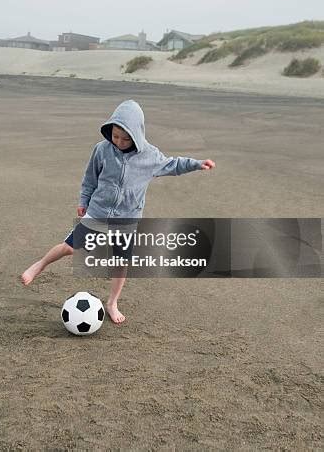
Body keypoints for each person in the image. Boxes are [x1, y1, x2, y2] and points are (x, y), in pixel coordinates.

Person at [21, 100, 215, 323]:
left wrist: (198, 164)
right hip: (98, 211)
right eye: (115, 136)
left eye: (125, 138)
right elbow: (89, 179)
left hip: (127, 218)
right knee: (69, 247)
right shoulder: (102, 150)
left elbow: (174, 164)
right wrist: (84, 200)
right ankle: (40, 264)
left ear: (137, 135)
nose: (119, 142)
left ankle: (112, 303)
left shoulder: (150, 156)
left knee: (121, 263)